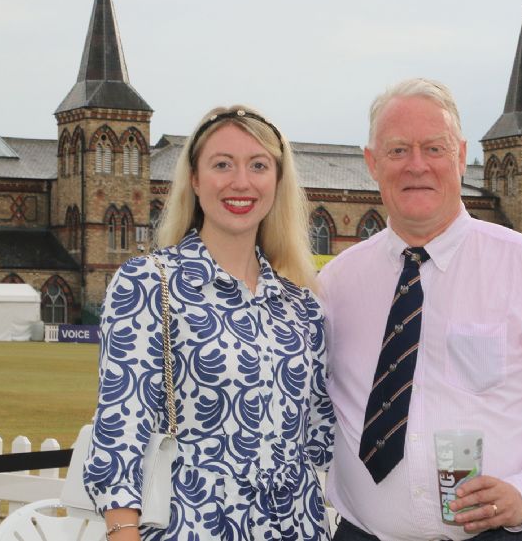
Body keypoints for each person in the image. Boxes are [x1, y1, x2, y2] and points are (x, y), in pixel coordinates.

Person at [318, 78, 522, 541]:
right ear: (372, 163)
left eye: (433, 148)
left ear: (459, 154)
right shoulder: (336, 283)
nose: (417, 165)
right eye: (398, 151)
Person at [83, 106, 335, 541]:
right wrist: (122, 532)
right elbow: (120, 428)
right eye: (222, 165)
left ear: (277, 180)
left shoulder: (302, 307)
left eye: (258, 165)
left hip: (295, 528)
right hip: (192, 527)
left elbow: (321, 439)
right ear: (196, 180)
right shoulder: (148, 283)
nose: (241, 182)